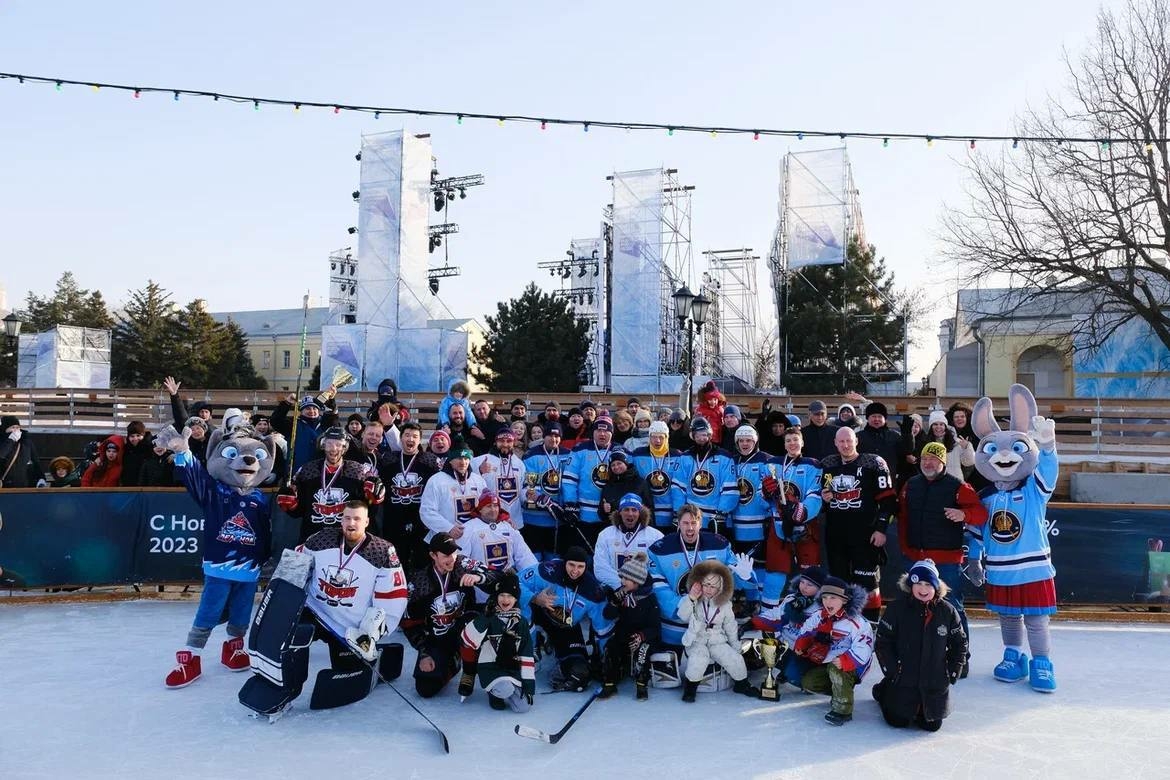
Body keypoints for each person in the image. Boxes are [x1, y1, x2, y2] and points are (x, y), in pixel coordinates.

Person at [163, 424, 275, 688]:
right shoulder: (215, 491)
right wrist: (183, 453)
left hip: (249, 569)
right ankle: (191, 656)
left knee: (241, 612)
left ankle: (233, 648)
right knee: (209, 612)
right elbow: (195, 479)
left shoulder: (260, 498)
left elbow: (266, 532)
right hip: (220, 566)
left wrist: (266, 559)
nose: (246, 461)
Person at [288, 500, 408, 702]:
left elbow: (393, 596)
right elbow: (294, 567)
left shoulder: (382, 551)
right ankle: (288, 688)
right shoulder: (320, 539)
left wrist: (372, 632)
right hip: (315, 612)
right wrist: (284, 600)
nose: (351, 523)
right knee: (292, 637)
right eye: (347, 518)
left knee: (348, 677)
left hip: (349, 628)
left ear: (367, 522)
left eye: (357, 519)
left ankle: (376, 654)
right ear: (341, 520)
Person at [897, 441, 988, 664]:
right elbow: (903, 519)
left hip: (945, 560)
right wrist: (906, 548)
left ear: (942, 462)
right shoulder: (911, 484)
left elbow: (980, 513)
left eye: (934, 459)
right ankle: (917, 653)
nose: (928, 463)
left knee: (953, 607)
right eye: (925, 459)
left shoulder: (958, 486)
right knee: (915, 607)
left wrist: (963, 515)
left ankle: (960, 657)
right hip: (916, 559)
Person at [873, 559, 968, 731]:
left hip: (934, 680)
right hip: (904, 676)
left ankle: (920, 705)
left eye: (928, 584)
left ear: (936, 587)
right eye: (918, 583)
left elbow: (959, 643)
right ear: (910, 585)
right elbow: (883, 641)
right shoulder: (897, 608)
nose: (923, 589)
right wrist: (892, 670)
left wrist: (952, 670)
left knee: (931, 725)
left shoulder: (947, 611)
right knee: (897, 722)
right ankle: (885, 690)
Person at [401, 532, 496, 698]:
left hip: (466, 630)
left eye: (454, 552)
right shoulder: (419, 583)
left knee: (473, 620)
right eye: (446, 554)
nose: (452, 558)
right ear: (433, 555)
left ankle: (475, 668)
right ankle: (454, 661)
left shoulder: (463, 564)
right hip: (436, 640)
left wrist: (478, 577)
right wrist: (424, 652)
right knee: (425, 688)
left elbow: (498, 577)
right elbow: (409, 623)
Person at [646, 504, 754, 651]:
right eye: (685, 523)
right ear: (678, 524)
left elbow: (735, 572)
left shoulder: (719, 544)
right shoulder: (660, 549)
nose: (690, 528)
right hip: (675, 629)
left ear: (700, 524)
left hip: (710, 628)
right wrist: (684, 608)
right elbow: (659, 588)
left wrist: (746, 577)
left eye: (693, 523)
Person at [819, 426, 897, 623]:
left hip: (866, 532)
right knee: (839, 580)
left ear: (856, 441)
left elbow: (888, 501)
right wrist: (822, 499)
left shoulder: (874, 462)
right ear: (835, 443)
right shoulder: (827, 464)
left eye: (849, 441)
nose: (845, 445)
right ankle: (842, 622)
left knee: (867, 581)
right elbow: (815, 500)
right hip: (836, 533)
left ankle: (871, 623)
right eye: (841, 441)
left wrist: (881, 529)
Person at [519, 546, 614, 692]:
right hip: (538, 614)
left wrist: (607, 658)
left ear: (586, 567)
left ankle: (554, 646)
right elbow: (514, 583)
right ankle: (533, 643)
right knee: (521, 607)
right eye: (571, 565)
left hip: (566, 627)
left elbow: (603, 629)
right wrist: (535, 598)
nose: (575, 571)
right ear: (564, 563)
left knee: (579, 674)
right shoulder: (547, 570)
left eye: (580, 566)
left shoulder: (593, 591)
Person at [278, 426, 385, 543]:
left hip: (347, 540)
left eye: (338, 444)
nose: (333, 449)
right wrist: (291, 505)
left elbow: (368, 510)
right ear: (323, 445)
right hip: (313, 538)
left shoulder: (359, 471)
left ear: (345, 447)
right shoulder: (307, 470)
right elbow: (299, 510)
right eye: (329, 444)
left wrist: (374, 498)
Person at [792, 576, 874, 725]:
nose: (828, 602)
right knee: (809, 682)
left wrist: (846, 660)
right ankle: (842, 691)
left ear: (844, 600)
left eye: (833, 598)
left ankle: (842, 710)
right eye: (825, 597)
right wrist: (802, 644)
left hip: (854, 664)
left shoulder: (856, 622)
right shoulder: (819, 616)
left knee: (836, 669)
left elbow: (864, 649)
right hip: (828, 660)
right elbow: (805, 631)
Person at [761, 425, 824, 608]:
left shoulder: (813, 465)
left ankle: (811, 613)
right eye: (788, 440)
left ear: (802, 442)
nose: (792, 443)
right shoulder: (772, 464)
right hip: (779, 525)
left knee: (810, 572)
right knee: (775, 570)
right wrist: (765, 493)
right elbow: (761, 496)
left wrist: (801, 512)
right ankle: (768, 613)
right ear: (784, 443)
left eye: (795, 440)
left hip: (806, 525)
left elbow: (815, 494)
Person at [678, 560, 759, 702]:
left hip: (717, 640)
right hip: (697, 639)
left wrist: (735, 645)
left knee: (735, 659)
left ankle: (741, 684)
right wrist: (691, 599)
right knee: (698, 660)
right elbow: (682, 616)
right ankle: (690, 688)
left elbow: (730, 626)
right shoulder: (692, 600)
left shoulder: (726, 605)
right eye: (706, 585)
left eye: (713, 586)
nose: (709, 589)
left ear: (721, 588)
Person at [459, 572, 536, 711]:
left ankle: (506, 689)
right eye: (502, 595)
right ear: (496, 597)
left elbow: (527, 654)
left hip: (512, 670)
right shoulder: (489, 617)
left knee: (523, 707)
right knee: (505, 688)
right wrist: (485, 617)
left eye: (510, 596)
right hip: (491, 668)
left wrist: (529, 686)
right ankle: (494, 693)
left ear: (516, 598)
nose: (505, 599)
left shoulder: (522, 622)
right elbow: (468, 639)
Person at [378, 421, 440, 575]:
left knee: (421, 560)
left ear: (420, 440)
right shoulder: (388, 459)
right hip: (394, 518)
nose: (410, 439)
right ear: (401, 438)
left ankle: (418, 591)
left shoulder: (429, 460)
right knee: (396, 559)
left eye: (415, 436)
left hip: (421, 521)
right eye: (407, 435)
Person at [600, 553, 661, 700]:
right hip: (624, 633)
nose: (622, 581)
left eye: (626, 578)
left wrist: (642, 636)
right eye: (622, 577)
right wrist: (614, 602)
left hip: (645, 637)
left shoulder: (649, 599)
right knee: (611, 647)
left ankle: (641, 685)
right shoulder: (621, 594)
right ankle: (610, 682)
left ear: (637, 581)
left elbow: (655, 627)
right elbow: (607, 615)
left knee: (642, 652)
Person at [751, 566, 826, 685]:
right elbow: (775, 616)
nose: (804, 587)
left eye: (809, 585)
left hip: (802, 652)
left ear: (820, 589)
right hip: (784, 644)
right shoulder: (792, 599)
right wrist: (752, 623)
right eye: (802, 582)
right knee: (751, 654)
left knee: (796, 678)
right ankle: (782, 667)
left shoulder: (822, 609)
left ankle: (798, 673)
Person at [728, 424, 775, 604]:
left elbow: (771, 493)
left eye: (749, 440)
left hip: (759, 524)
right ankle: (745, 599)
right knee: (739, 564)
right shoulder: (732, 461)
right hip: (737, 524)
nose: (745, 444)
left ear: (755, 441)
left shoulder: (766, 461)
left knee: (760, 563)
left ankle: (760, 600)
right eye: (741, 440)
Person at [459, 492, 538, 592]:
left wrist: (535, 577)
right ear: (480, 509)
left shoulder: (508, 527)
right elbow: (462, 559)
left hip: (508, 582)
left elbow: (524, 556)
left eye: (495, 506)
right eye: (488, 506)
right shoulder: (468, 528)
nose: (493, 510)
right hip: (481, 583)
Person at [671, 417, 738, 534]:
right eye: (698, 435)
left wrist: (722, 513)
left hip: (715, 519)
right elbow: (678, 487)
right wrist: (678, 512)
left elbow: (730, 488)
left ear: (710, 435)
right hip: (691, 519)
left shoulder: (725, 457)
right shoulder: (684, 457)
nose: (702, 438)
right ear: (692, 436)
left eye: (704, 435)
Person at [562, 417, 619, 548]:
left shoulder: (620, 451)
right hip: (584, 514)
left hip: (611, 515)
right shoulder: (579, 450)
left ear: (612, 433)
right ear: (593, 432)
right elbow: (569, 479)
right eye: (598, 430)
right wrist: (570, 503)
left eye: (606, 431)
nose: (602, 434)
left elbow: (627, 482)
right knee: (585, 553)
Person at [519, 422, 572, 559]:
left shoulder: (568, 455)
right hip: (533, 519)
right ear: (544, 436)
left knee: (553, 559)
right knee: (533, 558)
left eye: (557, 436)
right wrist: (543, 500)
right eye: (550, 435)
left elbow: (569, 482)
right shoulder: (531, 455)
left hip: (557, 519)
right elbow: (529, 486)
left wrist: (567, 506)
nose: (553, 439)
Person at [419, 444, 488, 545]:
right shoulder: (436, 480)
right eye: (459, 458)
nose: (463, 462)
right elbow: (427, 511)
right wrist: (448, 528)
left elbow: (487, 507)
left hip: (473, 538)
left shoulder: (478, 480)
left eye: (466, 458)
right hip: (444, 540)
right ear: (450, 460)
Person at [593, 493, 664, 590]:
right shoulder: (605, 535)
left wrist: (638, 587)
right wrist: (620, 585)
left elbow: (659, 569)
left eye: (634, 510)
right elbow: (600, 568)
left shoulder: (655, 536)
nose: (630, 513)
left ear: (640, 513)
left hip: (644, 593)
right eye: (626, 509)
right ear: (620, 512)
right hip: (614, 591)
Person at [271, 389, 339, 479]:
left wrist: (331, 399)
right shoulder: (293, 425)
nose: (311, 411)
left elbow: (332, 418)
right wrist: (287, 403)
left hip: (321, 473)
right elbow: (276, 421)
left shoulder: (325, 424)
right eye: (307, 408)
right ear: (301, 411)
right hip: (297, 473)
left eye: (314, 408)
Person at [629, 421, 682, 531]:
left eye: (661, 437)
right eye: (654, 437)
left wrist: (678, 512)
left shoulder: (677, 456)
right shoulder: (638, 454)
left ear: (667, 437)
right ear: (649, 437)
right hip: (647, 512)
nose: (657, 441)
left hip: (670, 513)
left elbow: (680, 486)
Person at [472, 428, 527, 529]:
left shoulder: (519, 464)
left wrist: (528, 496)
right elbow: (468, 483)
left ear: (514, 442)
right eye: (501, 441)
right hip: (490, 520)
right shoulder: (480, 460)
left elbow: (523, 488)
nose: (505, 444)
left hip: (515, 521)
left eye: (509, 441)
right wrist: (479, 471)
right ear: (495, 442)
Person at [597, 449, 654, 524]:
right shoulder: (608, 486)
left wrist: (648, 528)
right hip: (616, 529)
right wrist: (604, 510)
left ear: (626, 463)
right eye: (613, 465)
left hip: (637, 528)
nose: (616, 467)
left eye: (619, 463)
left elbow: (649, 509)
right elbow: (602, 514)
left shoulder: (640, 483)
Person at [924, 410, 975, 480]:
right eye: (935, 424)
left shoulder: (957, 442)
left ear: (945, 426)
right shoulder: (926, 443)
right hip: (934, 481)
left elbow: (968, 462)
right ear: (931, 427)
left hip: (954, 481)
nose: (938, 427)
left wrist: (966, 448)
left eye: (941, 424)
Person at [856, 401, 901, 474]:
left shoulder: (895, 436)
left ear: (885, 419)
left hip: (888, 478)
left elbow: (906, 451)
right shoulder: (858, 437)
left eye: (880, 416)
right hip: (865, 478)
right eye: (873, 416)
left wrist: (907, 435)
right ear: (867, 418)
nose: (876, 419)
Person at [1, 416, 45, 488]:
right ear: (5, 429)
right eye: (12, 427)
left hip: (25, 485)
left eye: (17, 427)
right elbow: (1, 454)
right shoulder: (2, 442)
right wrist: (11, 441)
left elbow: (35, 461)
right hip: (5, 486)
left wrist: (41, 478)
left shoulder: (26, 442)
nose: (15, 430)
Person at [120, 420, 153, 487]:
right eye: (132, 436)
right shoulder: (126, 449)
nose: (135, 439)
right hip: (128, 487)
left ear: (143, 435)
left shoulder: (150, 448)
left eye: (138, 435)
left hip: (146, 488)